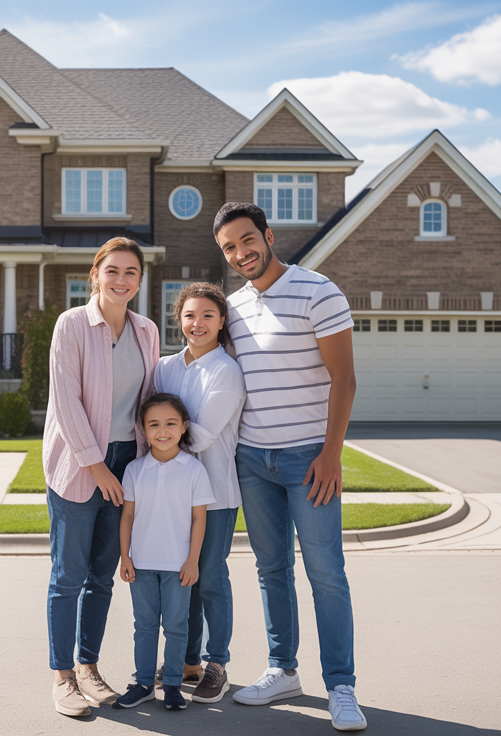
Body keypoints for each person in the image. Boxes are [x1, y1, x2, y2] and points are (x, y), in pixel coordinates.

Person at [212, 202, 367, 731]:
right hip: (253, 461)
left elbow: (344, 380)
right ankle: (283, 670)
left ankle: (342, 687)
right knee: (270, 568)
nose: (241, 253)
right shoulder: (232, 307)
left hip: (309, 459)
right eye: (229, 248)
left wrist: (330, 453)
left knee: (326, 572)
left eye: (247, 240)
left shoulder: (318, 291)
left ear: (268, 235)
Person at [42, 237, 159, 718]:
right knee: (68, 576)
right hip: (77, 464)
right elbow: (66, 402)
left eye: (131, 272)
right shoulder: (71, 324)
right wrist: (96, 467)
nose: (122, 280)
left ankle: (88, 666)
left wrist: (144, 464)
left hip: (127, 462)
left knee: (103, 577)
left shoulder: (146, 330)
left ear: (139, 280)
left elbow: (150, 398)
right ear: (96, 274)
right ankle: (62, 676)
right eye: (113, 270)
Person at [153, 282, 245, 704]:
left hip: (213, 495)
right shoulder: (165, 368)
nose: (198, 323)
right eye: (190, 315)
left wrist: (163, 441)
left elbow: (202, 435)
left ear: (221, 321)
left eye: (208, 315)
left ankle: (216, 664)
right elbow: (153, 421)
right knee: (180, 576)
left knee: (209, 577)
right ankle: (187, 661)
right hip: (170, 497)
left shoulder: (227, 371)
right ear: (179, 320)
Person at [113, 393, 217, 712]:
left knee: (175, 626)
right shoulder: (134, 470)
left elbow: (200, 518)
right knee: (143, 625)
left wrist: (192, 560)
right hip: (141, 563)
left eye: (171, 423)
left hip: (178, 566)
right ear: (143, 430)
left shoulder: (193, 470)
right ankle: (144, 683)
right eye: (153, 424)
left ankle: (172, 684)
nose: (162, 431)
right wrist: (125, 556)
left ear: (184, 427)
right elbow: (127, 516)